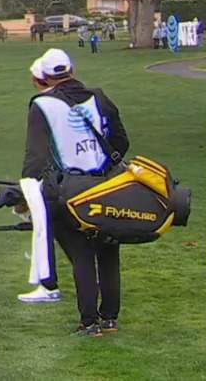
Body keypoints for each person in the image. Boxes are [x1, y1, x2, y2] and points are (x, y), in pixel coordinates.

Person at [22, 48, 129, 336]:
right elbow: (120, 141)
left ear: (45, 77)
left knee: (81, 254)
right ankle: (109, 318)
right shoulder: (100, 97)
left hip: (68, 190)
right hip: (106, 184)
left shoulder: (42, 104)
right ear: (72, 69)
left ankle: (89, 321)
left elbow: (36, 155)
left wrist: (27, 192)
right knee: (107, 251)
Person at [16, 57, 62, 305]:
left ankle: (48, 284)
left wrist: (28, 180)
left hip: (54, 176)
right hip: (87, 172)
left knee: (44, 229)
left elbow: (37, 149)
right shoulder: (86, 96)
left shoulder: (42, 105)